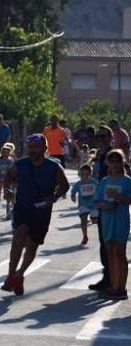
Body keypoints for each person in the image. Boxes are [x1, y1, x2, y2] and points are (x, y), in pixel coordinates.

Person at [0, 134, 69, 296]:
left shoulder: (54, 167)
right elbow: (8, 177)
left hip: (42, 211)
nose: (32, 150)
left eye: (36, 147)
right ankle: (10, 275)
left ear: (45, 149)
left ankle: (20, 274)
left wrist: (54, 197)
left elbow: (64, 186)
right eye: (30, 147)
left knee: (32, 245)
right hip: (23, 206)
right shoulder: (21, 164)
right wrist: (7, 189)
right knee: (20, 235)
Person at [92, 149, 131, 299]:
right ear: (107, 162)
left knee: (120, 253)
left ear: (123, 162)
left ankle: (122, 288)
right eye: (112, 161)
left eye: (118, 160)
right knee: (110, 253)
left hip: (121, 219)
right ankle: (113, 286)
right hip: (106, 220)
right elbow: (96, 201)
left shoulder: (127, 181)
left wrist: (118, 196)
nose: (114, 164)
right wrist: (104, 205)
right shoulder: (104, 181)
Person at [90, 126, 116, 292]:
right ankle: (107, 277)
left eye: (103, 137)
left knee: (112, 244)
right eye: (97, 137)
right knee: (103, 242)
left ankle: (114, 280)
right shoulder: (98, 157)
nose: (100, 140)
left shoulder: (113, 156)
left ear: (110, 138)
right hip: (100, 204)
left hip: (113, 205)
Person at [69, 163, 99, 247]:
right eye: (82, 174)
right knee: (83, 219)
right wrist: (73, 197)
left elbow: (100, 191)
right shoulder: (78, 184)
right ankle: (85, 236)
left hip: (94, 205)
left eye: (87, 174)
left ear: (90, 174)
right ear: (79, 174)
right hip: (83, 205)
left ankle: (103, 232)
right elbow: (73, 192)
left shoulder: (95, 182)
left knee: (94, 221)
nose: (84, 176)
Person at [0, 143, 16, 212]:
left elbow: (13, 169)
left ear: (9, 153)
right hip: (1, 177)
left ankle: (10, 202)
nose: (5, 154)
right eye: (4, 152)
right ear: (1, 153)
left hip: (8, 178)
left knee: (8, 191)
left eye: (7, 152)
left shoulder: (10, 161)